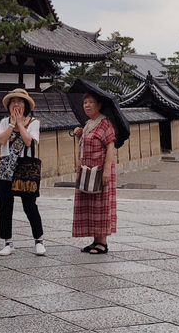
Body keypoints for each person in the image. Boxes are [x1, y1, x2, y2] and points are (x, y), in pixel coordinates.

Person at [0, 88, 45, 256]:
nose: (16, 105)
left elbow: (29, 141)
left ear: (26, 106)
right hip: (5, 168)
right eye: (13, 102)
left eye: (20, 102)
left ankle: (38, 239)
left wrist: (21, 124)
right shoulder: (3, 122)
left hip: (26, 168)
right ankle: (8, 242)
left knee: (29, 205)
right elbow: (1, 140)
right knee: (5, 205)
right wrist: (11, 124)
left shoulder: (34, 122)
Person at [72, 91, 116, 254]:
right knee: (90, 204)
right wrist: (79, 135)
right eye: (85, 103)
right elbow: (85, 146)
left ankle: (102, 242)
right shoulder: (88, 124)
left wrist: (107, 169)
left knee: (100, 204)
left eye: (91, 102)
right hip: (87, 170)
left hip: (99, 170)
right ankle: (95, 240)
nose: (87, 105)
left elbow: (110, 146)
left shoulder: (105, 123)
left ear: (99, 105)